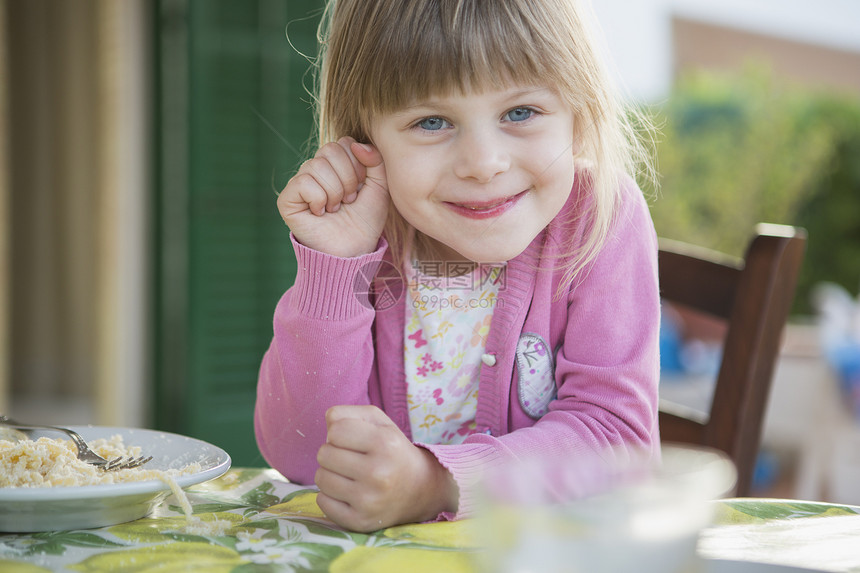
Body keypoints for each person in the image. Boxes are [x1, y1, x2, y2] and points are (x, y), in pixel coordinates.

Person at [255, 0, 660, 533]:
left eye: (520, 113)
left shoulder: (599, 217)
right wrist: (335, 266)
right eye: (431, 121)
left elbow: (617, 442)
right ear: (365, 143)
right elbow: (305, 457)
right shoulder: (366, 235)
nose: (482, 163)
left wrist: (438, 484)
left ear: (578, 114)